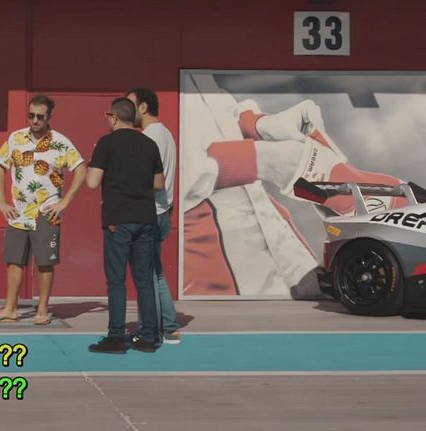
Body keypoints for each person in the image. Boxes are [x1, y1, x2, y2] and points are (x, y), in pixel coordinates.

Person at [182, 73, 409, 297]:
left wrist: (260, 124)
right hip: (222, 268)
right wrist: (265, 160)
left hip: (278, 238)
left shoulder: (190, 66)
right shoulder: (165, 69)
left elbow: (213, 117)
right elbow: (173, 171)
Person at [0, 95, 86, 325]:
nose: (35, 120)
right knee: (14, 261)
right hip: (19, 211)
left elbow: (81, 170)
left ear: (50, 116)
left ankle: (42, 309)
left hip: (47, 211)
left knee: (44, 262)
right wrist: (2, 201)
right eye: (31, 115)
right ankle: (10, 309)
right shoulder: (16, 138)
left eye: (40, 116)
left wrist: (65, 202)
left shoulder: (61, 142)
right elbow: (0, 166)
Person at [86, 97, 165, 354]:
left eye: (108, 116)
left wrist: (95, 167)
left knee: (117, 281)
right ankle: (149, 337)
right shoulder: (149, 144)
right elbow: (159, 183)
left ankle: (116, 337)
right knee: (144, 280)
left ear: (115, 117)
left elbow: (92, 182)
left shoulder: (107, 143)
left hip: (117, 219)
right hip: (145, 217)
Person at [126, 88, 181, 344]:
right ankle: (166, 326)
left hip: (151, 212)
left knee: (147, 275)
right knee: (154, 272)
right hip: (163, 211)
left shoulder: (149, 137)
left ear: (143, 107)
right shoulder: (166, 134)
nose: (127, 111)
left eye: (131, 104)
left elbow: (149, 179)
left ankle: (160, 328)